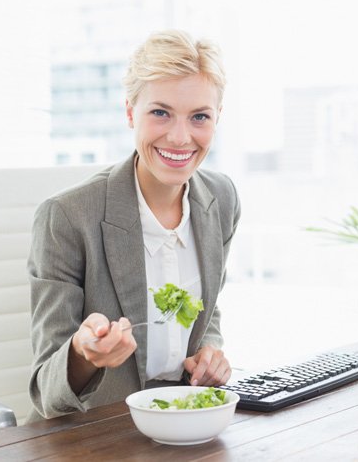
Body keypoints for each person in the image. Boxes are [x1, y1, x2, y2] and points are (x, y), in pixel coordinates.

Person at [26, 29, 240, 421]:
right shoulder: (67, 218)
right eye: (160, 112)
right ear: (130, 113)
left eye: (199, 117)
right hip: (97, 432)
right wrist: (83, 353)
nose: (180, 137)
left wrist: (208, 353)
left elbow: (207, 313)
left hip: (185, 422)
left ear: (217, 118)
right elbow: (45, 392)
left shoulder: (221, 200)